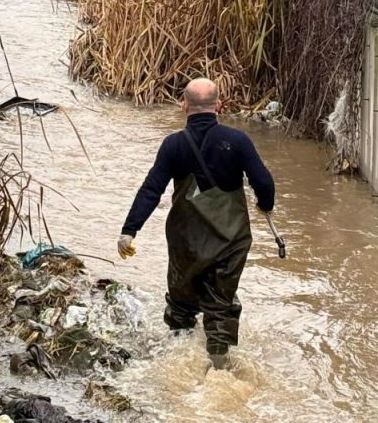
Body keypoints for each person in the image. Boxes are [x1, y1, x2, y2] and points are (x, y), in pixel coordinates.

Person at [117, 78, 275, 370]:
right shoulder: (237, 142)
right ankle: (219, 365)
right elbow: (263, 183)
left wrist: (130, 230)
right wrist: (265, 204)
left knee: (181, 301)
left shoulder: (173, 145)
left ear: (183, 104)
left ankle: (177, 356)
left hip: (185, 241)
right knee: (220, 303)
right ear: (219, 105)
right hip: (229, 241)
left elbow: (151, 189)